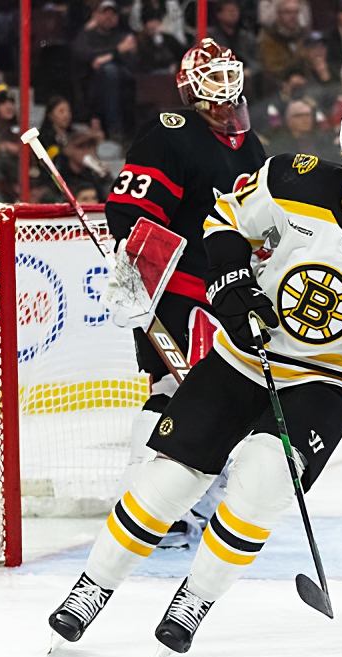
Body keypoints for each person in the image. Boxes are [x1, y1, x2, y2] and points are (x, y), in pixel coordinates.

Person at [48, 95, 342, 657]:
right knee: (167, 482)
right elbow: (224, 222)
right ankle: (91, 589)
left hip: (329, 383)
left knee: (265, 479)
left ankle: (194, 599)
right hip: (243, 357)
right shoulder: (290, 179)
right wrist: (232, 287)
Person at [93, 39, 267, 549]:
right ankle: (145, 510)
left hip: (223, 296)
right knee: (172, 393)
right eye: (212, 79)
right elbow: (129, 214)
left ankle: (195, 503)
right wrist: (137, 277)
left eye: (228, 75)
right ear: (192, 88)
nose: (225, 89)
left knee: (222, 400)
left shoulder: (251, 146)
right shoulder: (173, 133)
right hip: (176, 294)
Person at [72, 0, 138, 139]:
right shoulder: (87, 36)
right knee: (109, 71)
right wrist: (117, 51)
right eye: (104, 13)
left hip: (124, 84)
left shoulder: (122, 37)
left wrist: (106, 57)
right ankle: (114, 129)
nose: (109, 17)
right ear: (96, 15)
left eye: (112, 14)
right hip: (92, 84)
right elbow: (83, 55)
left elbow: (131, 61)